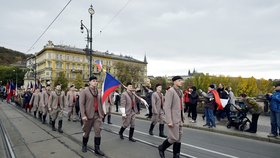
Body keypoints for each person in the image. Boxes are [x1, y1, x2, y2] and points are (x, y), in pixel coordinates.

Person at [158, 76, 184, 158]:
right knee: (174, 138)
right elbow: (167, 107)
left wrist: (183, 117)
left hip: (180, 117)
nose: (181, 82)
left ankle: (176, 154)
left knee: (179, 137)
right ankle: (162, 148)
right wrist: (169, 120)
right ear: (174, 82)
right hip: (173, 118)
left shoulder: (180, 91)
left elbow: (181, 105)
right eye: (179, 80)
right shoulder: (170, 91)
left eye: (181, 80)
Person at [79, 76, 105, 156]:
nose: (95, 82)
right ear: (89, 82)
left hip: (97, 115)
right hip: (88, 115)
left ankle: (97, 149)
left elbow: (101, 102)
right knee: (86, 132)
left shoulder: (98, 91)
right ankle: (84, 145)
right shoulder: (84, 91)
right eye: (93, 81)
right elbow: (81, 104)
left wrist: (103, 113)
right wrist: (83, 115)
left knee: (98, 131)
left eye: (96, 81)